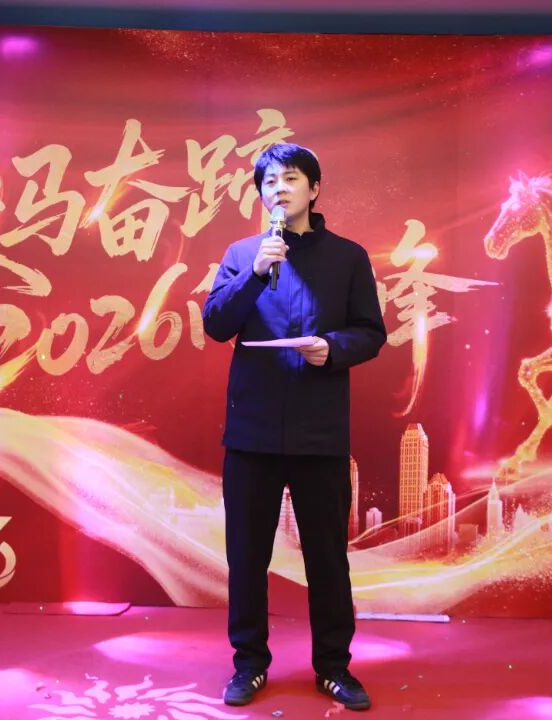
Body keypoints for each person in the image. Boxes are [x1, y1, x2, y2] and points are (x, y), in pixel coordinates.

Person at [202, 143, 387, 711]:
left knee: (327, 558)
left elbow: (371, 332)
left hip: (319, 433)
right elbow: (216, 324)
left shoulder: (348, 257)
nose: (278, 189)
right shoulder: (243, 254)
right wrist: (255, 274)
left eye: (290, 178)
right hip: (252, 431)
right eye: (269, 182)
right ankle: (249, 664)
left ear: (314, 189)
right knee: (246, 556)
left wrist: (331, 348)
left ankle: (333, 667)